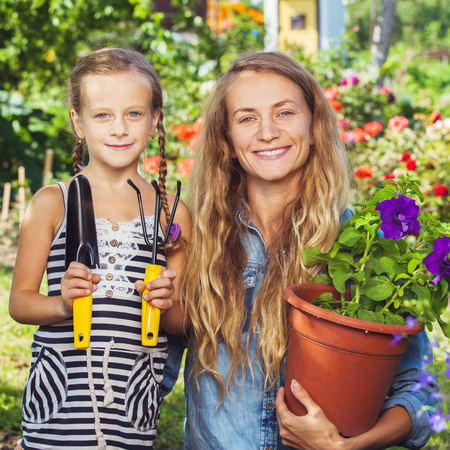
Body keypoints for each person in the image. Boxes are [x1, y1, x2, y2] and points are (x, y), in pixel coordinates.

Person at [176, 51, 438, 450]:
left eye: (284, 112)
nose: (267, 132)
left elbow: (418, 389)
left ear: (314, 126)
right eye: (247, 118)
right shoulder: (197, 239)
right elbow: (151, 359)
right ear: (227, 142)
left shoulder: (361, 246)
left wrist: (346, 446)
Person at [9, 48, 191, 450]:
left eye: (134, 113)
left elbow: (180, 325)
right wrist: (61, 304)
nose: (120, 129)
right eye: (102, 115)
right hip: (59, 405)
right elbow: (19, 303)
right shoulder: (52, 203)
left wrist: (168, 303)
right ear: (79, 122)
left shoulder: (172, 214)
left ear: (155, 118)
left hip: (130, 406)